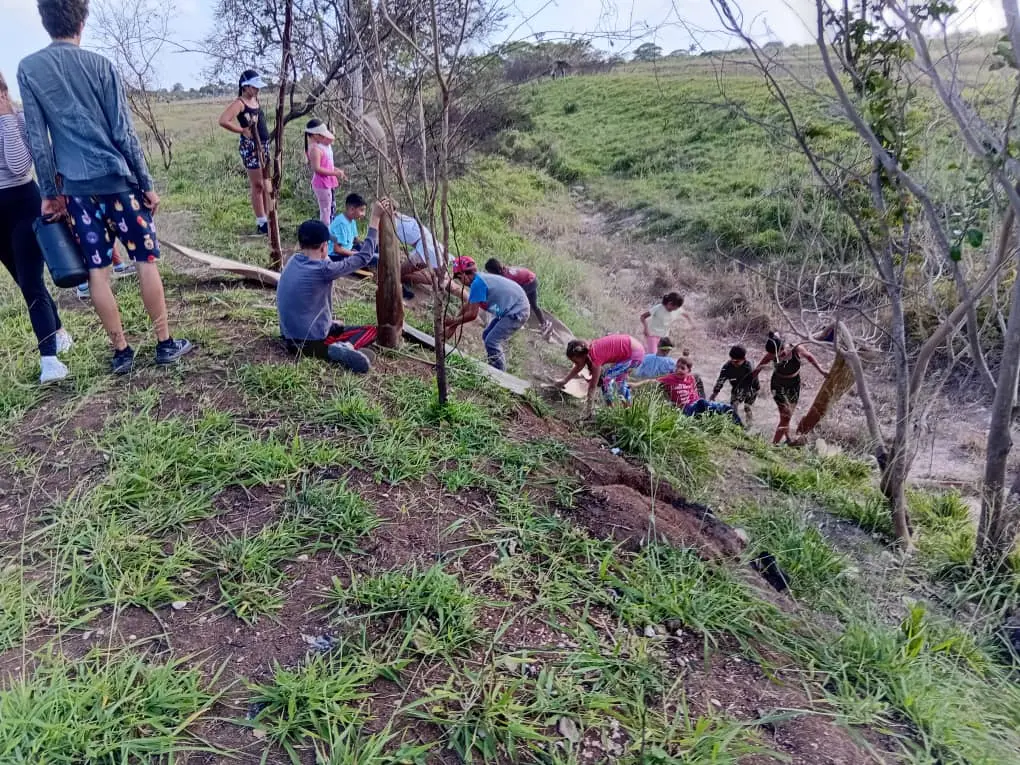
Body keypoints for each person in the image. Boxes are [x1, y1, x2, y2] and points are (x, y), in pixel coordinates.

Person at [18, 0, 192, 375]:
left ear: (45, 21)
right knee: (145, 261)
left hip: (78, 192)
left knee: (98, 271)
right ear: (82, 20)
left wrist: (50, 192)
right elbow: (124, 134)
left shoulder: (29, 69)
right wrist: (146, 184)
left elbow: (38, 138)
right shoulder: (102, 66)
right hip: (119, 184)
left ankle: (121, 352)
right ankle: (164, 343)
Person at [0, 70, 72, 383]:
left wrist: (5, 117)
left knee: (31, 282)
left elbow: (18, 167)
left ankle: (50, 360)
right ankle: (58, 331)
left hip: (22, 206)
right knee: (23, 280)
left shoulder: (20, 120)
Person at [276, 203, 390, 372]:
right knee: (372, 331)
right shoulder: (323, 270)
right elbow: (364, 257)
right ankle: (339, 349)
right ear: (324, 246)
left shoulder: (294, 260)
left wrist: (330, 323)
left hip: (289, 337)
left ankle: (340, 347)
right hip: (312, 341)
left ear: (301, 244)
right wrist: (375, 218)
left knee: (338, 327)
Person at [445, 256, 530, 371]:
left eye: (459, 278)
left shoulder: (477, 284)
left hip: (517, 311)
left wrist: (452, 322)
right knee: (487, 335)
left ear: (463, 275)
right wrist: (454, 324)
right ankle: (493, 366)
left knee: (492, 341)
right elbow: (468, 305)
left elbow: (472, 315)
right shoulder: (478, 280)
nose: (460, 282)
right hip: (512, 308)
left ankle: (499, 375)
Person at [218, 69, 272, 235]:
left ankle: (269, 218)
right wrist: (242, 130)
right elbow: (223, 120)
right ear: (245, 86)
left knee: (266, 184)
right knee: (257, 185)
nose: (257, 90)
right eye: (254, 87)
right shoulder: (240, 103)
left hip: (264, 146)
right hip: (251, 147)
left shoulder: (255, 99)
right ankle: (261, 221)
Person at [752, 331, 829, 445]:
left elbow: (810, 357)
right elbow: (758, 369)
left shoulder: (796, 349)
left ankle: (787, 438)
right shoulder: (771, 354)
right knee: (785, 416)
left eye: (781, 354)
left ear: (783, 347)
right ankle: (773, 446)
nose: (778, 358)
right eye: (775, 356)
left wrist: (822, 371)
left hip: (794, 385)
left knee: (788, 415)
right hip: (777, 385)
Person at [555, 334, 644, 414]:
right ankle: (628, 411)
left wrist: (589, 410)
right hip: (634, 350)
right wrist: (564, 381)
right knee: (620, 382)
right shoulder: (590, 349)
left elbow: (592, 387)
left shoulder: (594, 357)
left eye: (575, 361)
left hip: (633, 354)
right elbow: (578, 367)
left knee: (606, 380)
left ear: (581, 355)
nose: (575, 364)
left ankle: (611, 411)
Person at [660, 356, 741, 425]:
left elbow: (694, 392)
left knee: (728, 408)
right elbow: (653, 381)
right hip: (685, 409)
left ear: (689, 371)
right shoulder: (670, 378)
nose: (678, 370)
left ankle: (740, 426)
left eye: (682, 368)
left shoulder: (691, 378)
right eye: (677, 367)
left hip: (696, 404)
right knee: (702, 402)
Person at [483, 258, 553, 335]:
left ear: (494, 271)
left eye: (490, 272)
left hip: (529, 282)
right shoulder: (504, 270)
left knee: (515, 302)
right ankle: (544, 323)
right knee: (534, 305)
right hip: (532, 279)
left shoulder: (506, 277)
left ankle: (517, 322)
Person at [304, 119, 345, 225]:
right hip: (322, 183)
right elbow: (317, 168)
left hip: (328, 181)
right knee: (326, 210)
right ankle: (325, 233)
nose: (325, 137)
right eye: (321, 134)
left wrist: (336, 170)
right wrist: (335, 173)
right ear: (314, 135)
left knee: (331, 207)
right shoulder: (315, 149)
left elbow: (327, 165)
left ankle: (329, 230)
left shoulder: (322, 146)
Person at [710, 344, 760, 427]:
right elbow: (721, 380)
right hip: (736, 387)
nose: (734, 363)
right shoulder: (727, 367)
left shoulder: (749, 367)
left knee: (747, 407)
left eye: (737, 362)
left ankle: (749, 425)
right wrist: (714, 393)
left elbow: (747, 386)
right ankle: (734, 424)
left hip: (752, 387)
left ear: (744, 359)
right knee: (733, 406)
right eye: (732, 360)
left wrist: (739, 398)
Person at [329, 193, 367, 259]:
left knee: (372, 250)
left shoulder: (352, 220)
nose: (364, 214)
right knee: (373, 258)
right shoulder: (341, 223)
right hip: (336, 256)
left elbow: (355, 239)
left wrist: (366, 244)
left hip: (347, 250)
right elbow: (337, 249)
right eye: (361, 210)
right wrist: (355, 254)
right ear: (352, 209)